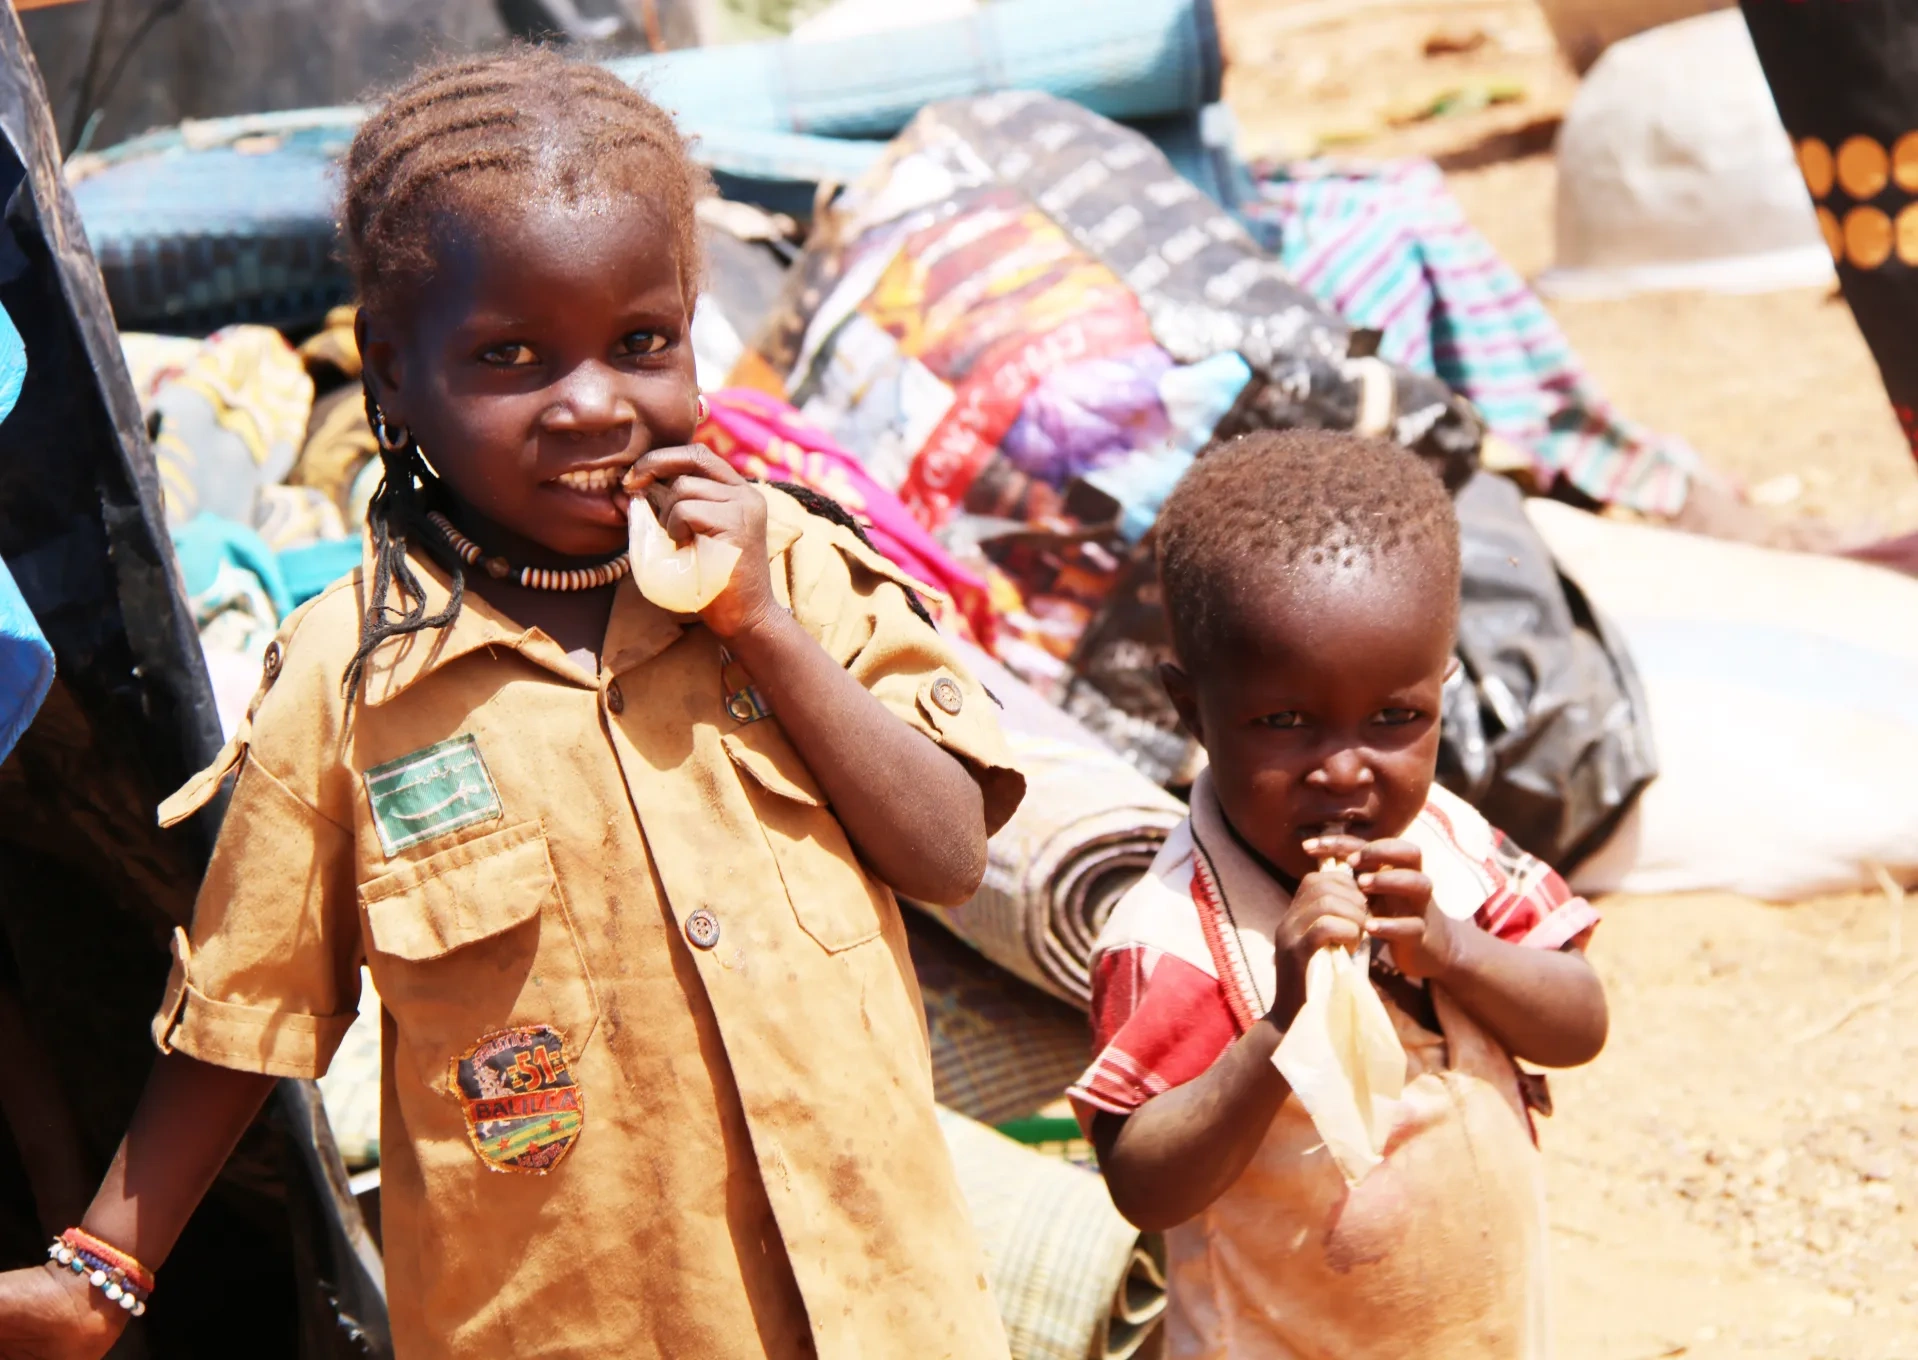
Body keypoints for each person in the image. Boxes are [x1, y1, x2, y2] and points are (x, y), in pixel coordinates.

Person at [0, 47, 1023, 1360]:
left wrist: (760, 624)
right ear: (391, 372)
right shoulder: (353, 680)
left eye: (640, 343)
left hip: (889, 1321)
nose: (591, 405)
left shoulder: (800, 578)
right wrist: (104, 1271)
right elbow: (247, 1009)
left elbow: (945, 851)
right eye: (510, 357)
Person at [1069, 430, 1608, 1358]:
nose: (1347, 770)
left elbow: (1579, 1025)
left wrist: (1455, 950)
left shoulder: (1455, 849)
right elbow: (1145, 1185)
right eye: (1285, 721)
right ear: (1192, 710)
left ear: (1443, 689)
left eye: (1397, 717)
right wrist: (1283, 1026)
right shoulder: (1178, 936)